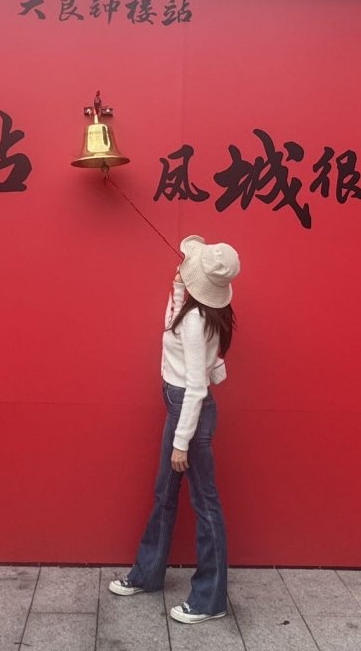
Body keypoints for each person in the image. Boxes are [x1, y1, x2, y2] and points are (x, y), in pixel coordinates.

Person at [108, 234, 241, 624]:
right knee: (164, 494)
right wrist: (179, 286)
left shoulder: (197, 320)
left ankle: (210, 600)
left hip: (189, 411)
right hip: (180, 406)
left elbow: (197, 386)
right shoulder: (199, 310)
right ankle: (147, 574)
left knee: (205, 503)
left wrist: (181, 442)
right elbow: (174, 330)